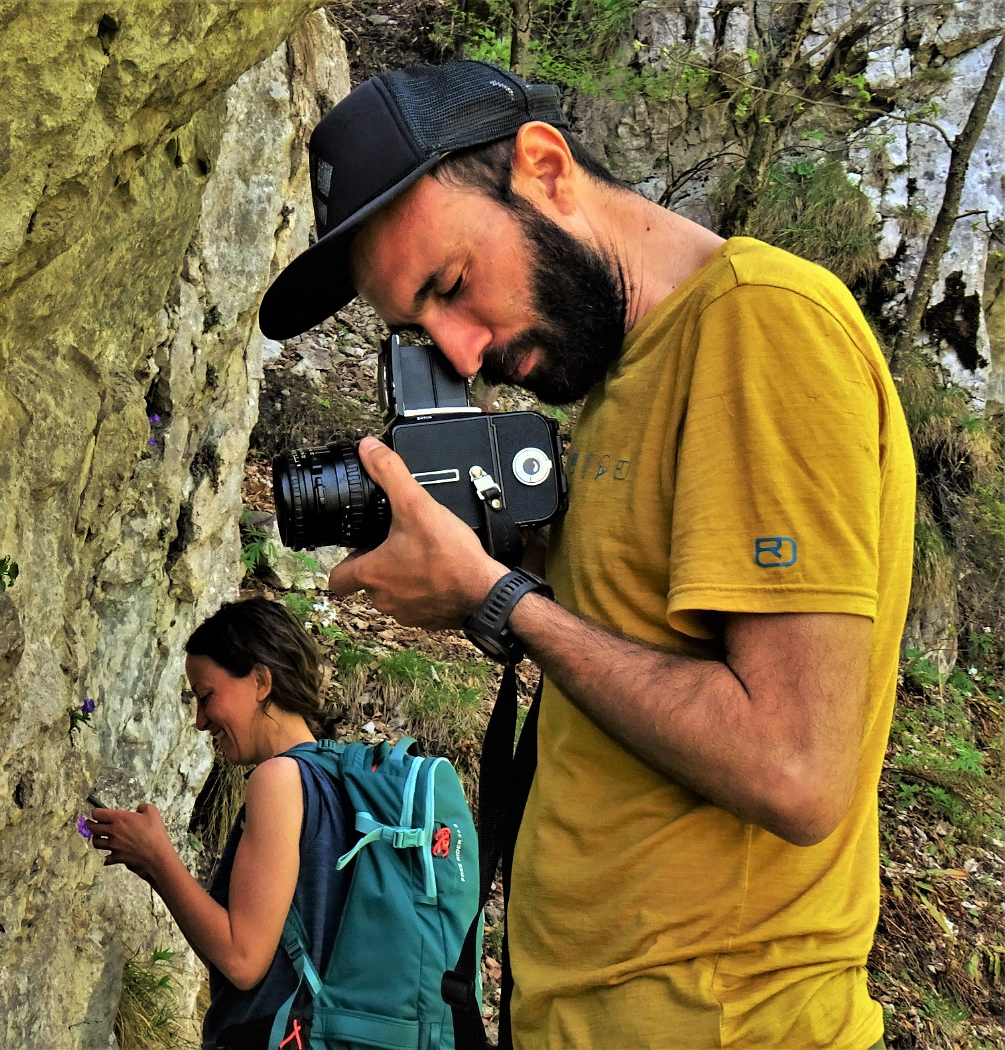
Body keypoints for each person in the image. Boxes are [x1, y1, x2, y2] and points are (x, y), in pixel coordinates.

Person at [257, 60, 913, 1049]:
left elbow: (792, 768)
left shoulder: (760, 327)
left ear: (543, 164)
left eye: (451, 287)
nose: (462, 351)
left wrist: (493, 599)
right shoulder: (620, 385)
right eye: (419, 332)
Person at [90, 597, 349, 1049]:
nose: (199, 720)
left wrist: (157, 859)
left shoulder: (279, 780)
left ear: (261, 681)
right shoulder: (342, 777)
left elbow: (242, 958)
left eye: (207, 696)